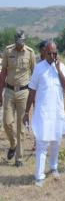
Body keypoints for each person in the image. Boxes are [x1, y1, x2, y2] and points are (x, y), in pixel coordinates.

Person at [22, 41, 65, 187]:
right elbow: (32, 91)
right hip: (43, 113)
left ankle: (54, 167)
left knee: (56, 141)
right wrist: (26, 112)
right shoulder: (38, 68)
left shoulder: (61, 67)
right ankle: (39, 176)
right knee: (42, 143)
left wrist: (58, 70)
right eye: (49, 53)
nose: (52, 55)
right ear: (44, 52)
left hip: (57, 112)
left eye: (54, 53)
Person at [0, 31, 36, 167]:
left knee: (21, 126)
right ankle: (13, 143)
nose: (21, 44)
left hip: (24, 92)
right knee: (7, 122)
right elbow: (3, 72)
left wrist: (34, 96)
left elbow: (35, 74)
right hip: (9, 91)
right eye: (19, 42)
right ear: (15, 41)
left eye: (23, 41)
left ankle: (19, 158)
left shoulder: (30, 53)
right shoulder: (8, 51)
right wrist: (0, 92)